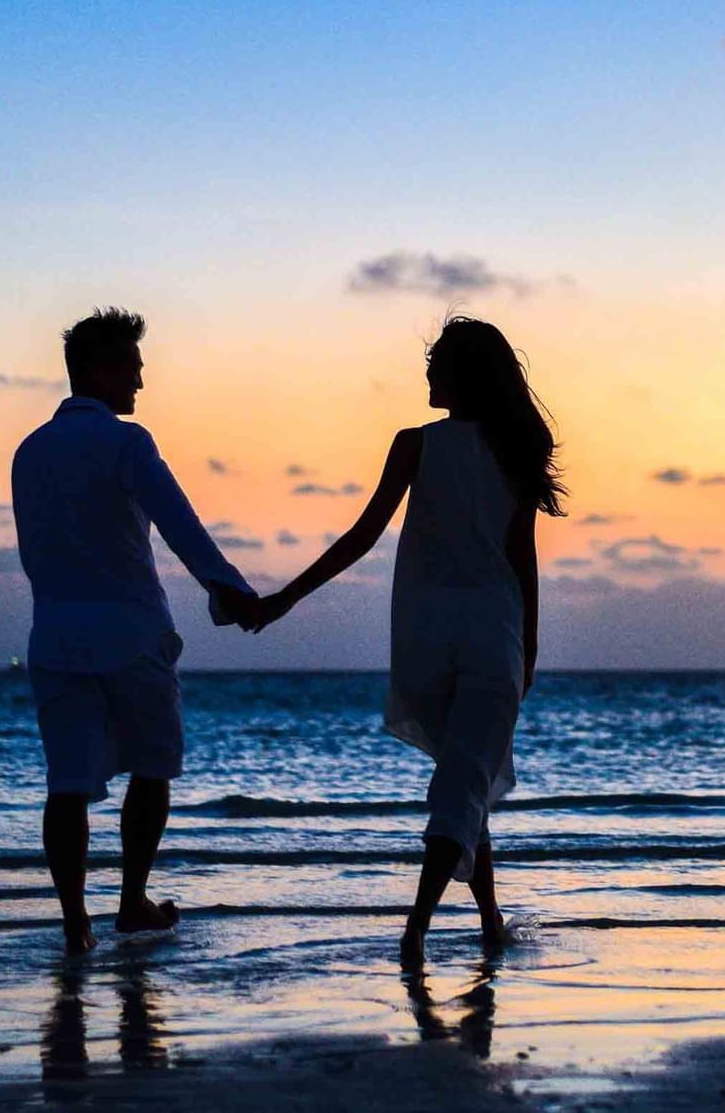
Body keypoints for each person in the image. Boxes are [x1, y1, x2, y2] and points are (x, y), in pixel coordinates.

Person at [254, 316, 564, 965]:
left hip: (425, 641)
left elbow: (362, 537)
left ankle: (488, 921)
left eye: (435, 364)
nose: (426, 374)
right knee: (461, 784)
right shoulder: (513, 448)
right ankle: (416, 931)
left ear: (461, 375)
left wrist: (286, 598)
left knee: (464, 778)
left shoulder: (414, 444)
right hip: (492, 635)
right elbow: (521, 559)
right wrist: (529, 649)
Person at [11, 307, 262, 955]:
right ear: (98, 368)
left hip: (56, 635)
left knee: (67, 784)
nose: (140, 384)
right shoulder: (127, 443)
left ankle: (75, 923)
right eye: (132, 368)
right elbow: (179, 524)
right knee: (152, 767)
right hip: (131, 631)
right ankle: (131, 901)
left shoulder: (28, 451)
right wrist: (229, 591)